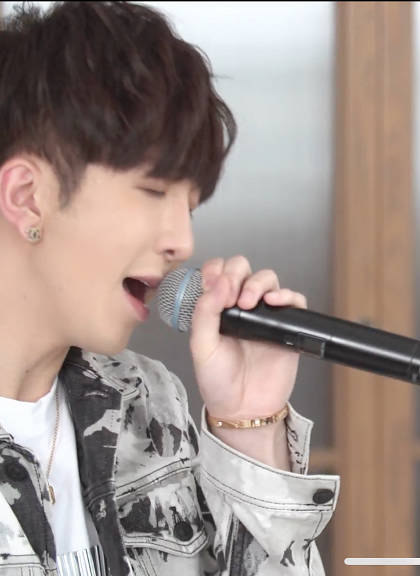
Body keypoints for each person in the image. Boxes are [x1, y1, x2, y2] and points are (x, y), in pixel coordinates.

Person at [0, 3, 337, 574]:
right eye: (154, 192)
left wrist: (250, 428)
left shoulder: (148, 403)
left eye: (191, 206)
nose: (182, 241)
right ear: (27, 197)